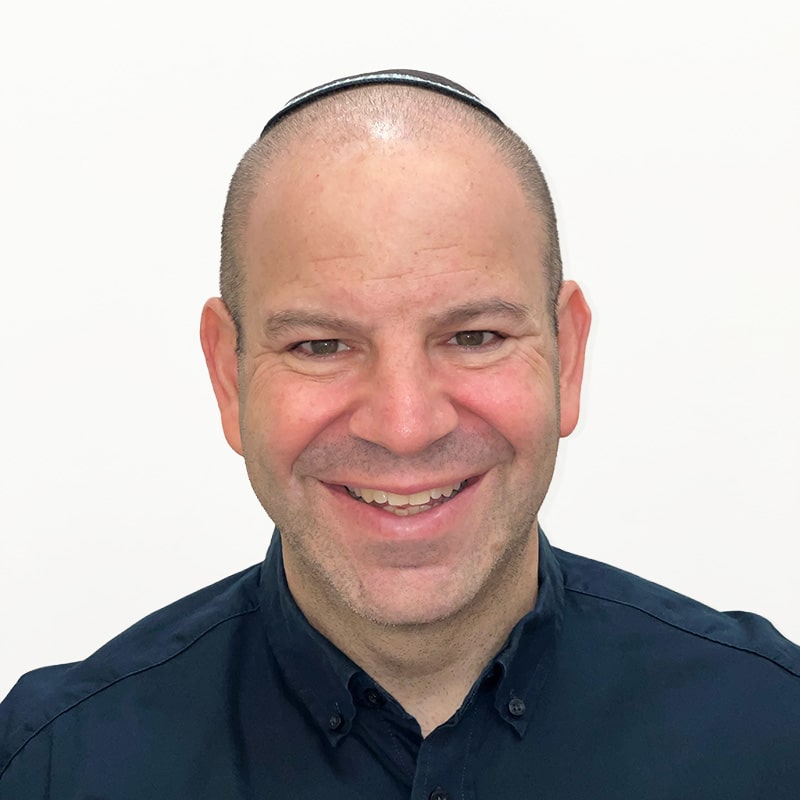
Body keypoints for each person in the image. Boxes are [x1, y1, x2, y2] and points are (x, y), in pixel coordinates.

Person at [1, 69, 798, 799]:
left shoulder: (773, 734)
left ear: (566, 357)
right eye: (321, 346)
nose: (406, 426)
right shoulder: (55, 768)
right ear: (230, 376)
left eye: (475, 337)